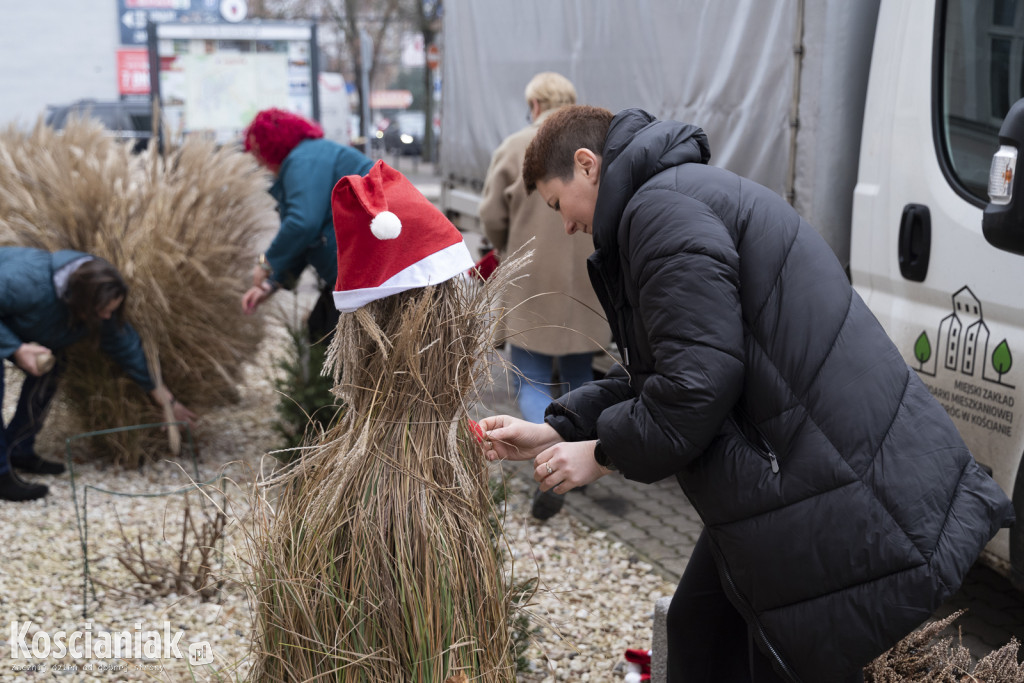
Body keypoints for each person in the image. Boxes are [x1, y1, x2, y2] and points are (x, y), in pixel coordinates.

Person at [478, 106, 1015, 682]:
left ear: (587, 165)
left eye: (559, 205)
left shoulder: (658, 213)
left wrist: (604, 455)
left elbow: (696, 384)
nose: (565, 225)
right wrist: (555, 429)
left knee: (749, 649)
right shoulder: (676, 197)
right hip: (806, 470)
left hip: (824, 481)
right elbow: (659, 374)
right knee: (701, 630)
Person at [479, 72, 609, 521]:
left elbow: (490, 215)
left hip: (531, 279)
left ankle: (551, 456)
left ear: (534, 104)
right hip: (590, 281)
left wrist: (504, 244)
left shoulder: (517, 146)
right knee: (581, 377)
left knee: (530, 377)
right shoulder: (594, 149)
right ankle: (583, 453)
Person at [0, 247, 197, 502]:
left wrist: (166, 400)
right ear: (77, 300)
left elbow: (127, 349)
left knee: (52, 370)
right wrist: (16, 349)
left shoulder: (98, 303)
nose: (106, 317)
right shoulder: (25, 283)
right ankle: (1, 475)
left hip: (19, 328)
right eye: (102, 311)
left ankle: (18, 450)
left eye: (111, 311)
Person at [240, 108, 375, 342]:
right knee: (319, 329)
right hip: (362, 268)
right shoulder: (310, 157)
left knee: (327, 336)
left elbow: (303, 223)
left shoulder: (303, 160)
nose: (258, 161)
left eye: (257, 152)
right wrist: (270, 285)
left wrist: (266, 263)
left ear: (270, 146)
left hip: (368, 269)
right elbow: (306, 237)